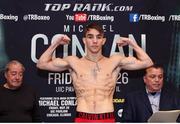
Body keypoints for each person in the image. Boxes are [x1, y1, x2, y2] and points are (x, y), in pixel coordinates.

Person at [36, 22, 153, 122]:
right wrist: (55, 43)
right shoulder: (73, 62)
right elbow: (41, 64)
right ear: (84, 40)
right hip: (82, 117)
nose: (95, 41)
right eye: (90, 37)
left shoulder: (115, 61)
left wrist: (132, 43)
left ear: (103, 40)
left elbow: (147, 62)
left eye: (99, 37)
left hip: (106, 118)